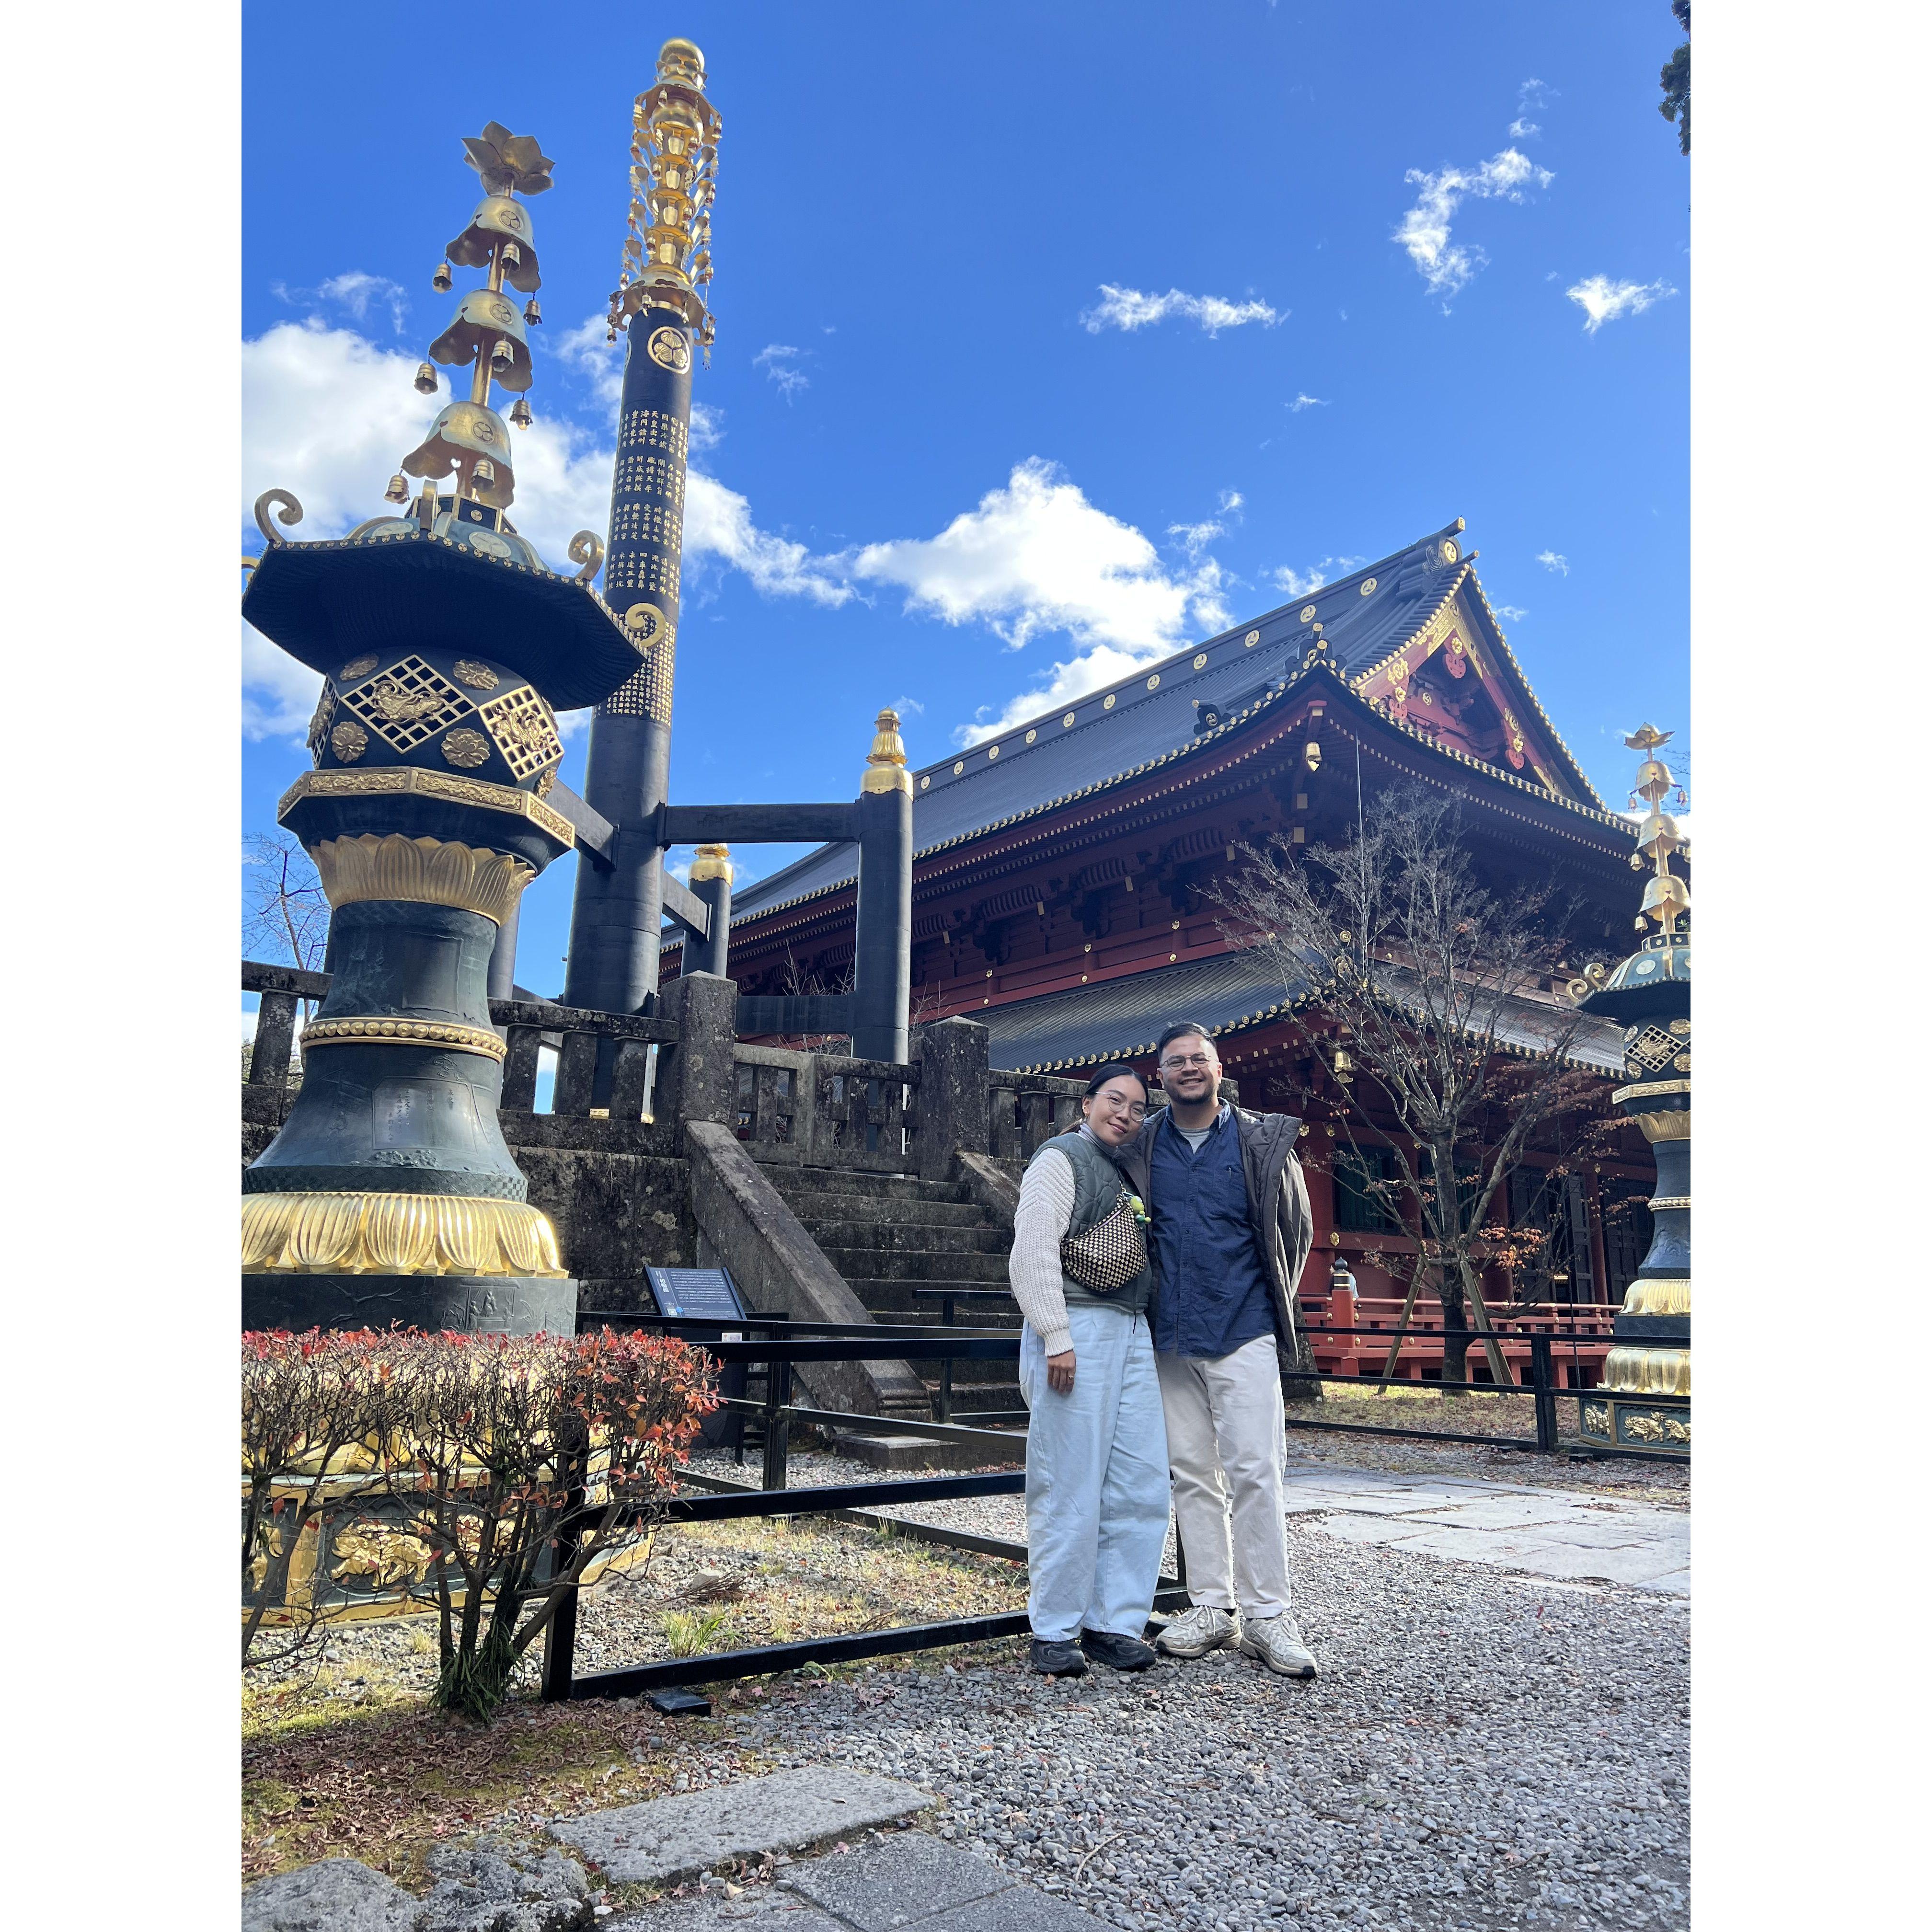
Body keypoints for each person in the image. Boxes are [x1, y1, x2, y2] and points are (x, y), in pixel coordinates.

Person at [1112, 1022, 1319, 1678]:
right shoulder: (1142, 1146)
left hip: (1243, 1325)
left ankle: (1269, 1614)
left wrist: (1269, 1299)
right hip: (1170, 1333)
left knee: (1256, 1470)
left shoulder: (1259, 1141)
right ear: (1160, 1075)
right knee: (1191, 1473)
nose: (1188, 1069)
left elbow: (1296, 1230)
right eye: (1176, 1062)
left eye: (1198, 1059)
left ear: (1219, 1067)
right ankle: (1211, 1605)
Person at [1009, 1063, 1170, 1678]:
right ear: (1087, 1103)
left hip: (1130, 1328)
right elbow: (1033, 1250)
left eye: (1137, 1107)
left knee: (1140, 1482)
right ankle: (1054, 1629)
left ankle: (1115, 1621)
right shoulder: (1060, 1158)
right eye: (1114, 1100)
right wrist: (1056, 1336)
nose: (1124, 1114)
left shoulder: (1125, 1168)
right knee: (1068, 1481)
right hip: (1077, 1326)